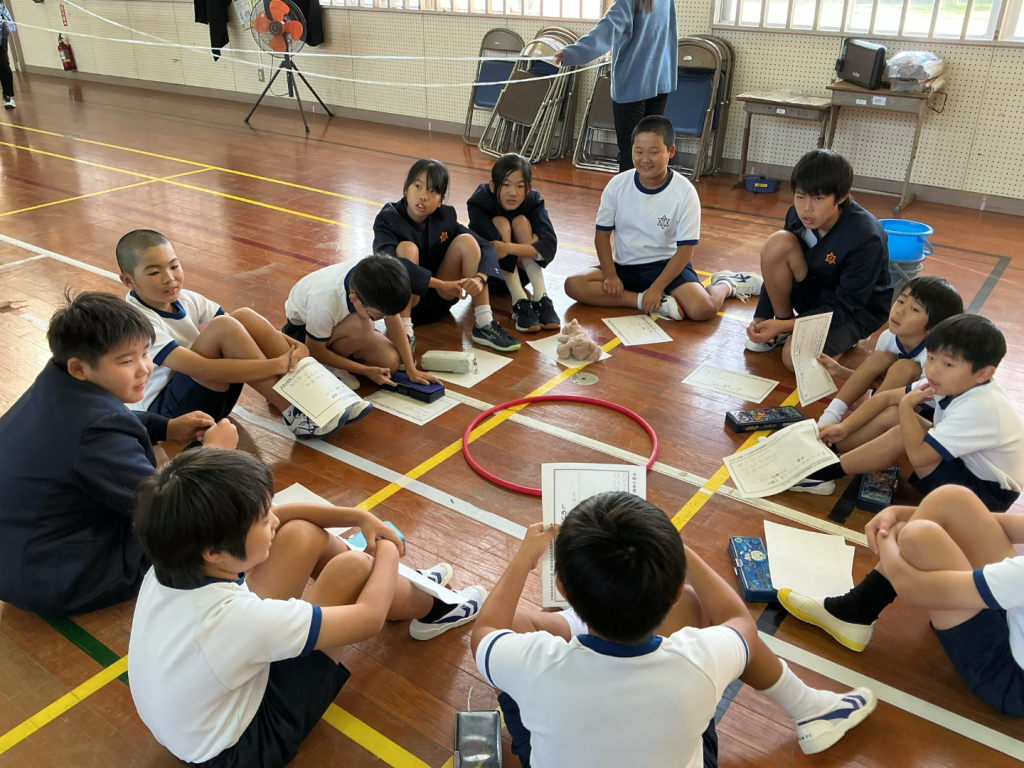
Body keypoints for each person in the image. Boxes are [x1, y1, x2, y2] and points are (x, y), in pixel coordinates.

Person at [129, 448, 487, 768]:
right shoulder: (238, 620)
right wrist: (389, 548)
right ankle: (435, 607)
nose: (272, 519)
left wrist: (358, 517)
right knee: (355, 569)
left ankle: (402, 584)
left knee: (302, 533)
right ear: (214, 552)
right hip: (240, 750)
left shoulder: (173, 559)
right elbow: (367, 619)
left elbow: (283, 516)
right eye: (262, 519)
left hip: (195, 722)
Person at [471, 492, 876, 767]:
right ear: (672, 592)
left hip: (557, 687)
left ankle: (589, 625)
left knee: (511, 629)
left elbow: (486, 628)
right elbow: (739, 623)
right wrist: (679, 553)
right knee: (699, 607)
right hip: (677, 724)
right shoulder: (697, 661)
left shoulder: (536, 666)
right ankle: (809, 708)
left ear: (562, 588)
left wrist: (524, 559)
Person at [0, 291, 238, 618]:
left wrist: (167, 427)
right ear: (79, 368)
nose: (144, 369)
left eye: (145, 353)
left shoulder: (58, 380)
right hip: (63, 579)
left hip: (19, 557)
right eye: (127, 361)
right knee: (206, 528)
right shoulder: (97, 431)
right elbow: (166, 510)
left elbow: (109, 417)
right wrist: (214, 453)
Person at [779, 484, 1024, 718]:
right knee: (951, 499)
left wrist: (890, 536)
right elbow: (995, 523)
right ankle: (858, 609)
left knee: (918, 537)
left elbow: (913, 589)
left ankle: (858, 608)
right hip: (1012, 611)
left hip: (1009, 680)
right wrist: (896, 513)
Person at [116, 229, 371, 439]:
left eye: (174, 266)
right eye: (154, 272)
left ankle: (324, 395)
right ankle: (295, 413)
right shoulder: (137, 322)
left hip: (211, 396)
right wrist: (277, 364)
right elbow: (203, 369)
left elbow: (242, 327)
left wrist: (297, 346)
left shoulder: (185, 298)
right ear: (128, 280)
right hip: (172, 416)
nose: (169, 278)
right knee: (223, 327)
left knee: (242, 316)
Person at [789, 315, 1024, 512]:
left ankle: (823, 474)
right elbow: (886, 397)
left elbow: (920, 457)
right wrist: (844, 427)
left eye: (948, 364)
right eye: (931, 358)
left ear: (983, 374)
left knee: (902, 428)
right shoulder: (953, 382)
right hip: (967, 465)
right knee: (895, 415)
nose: (933, 370)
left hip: (987, 496)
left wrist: (905, 407)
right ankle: (829, 451)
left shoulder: (977, 407)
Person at [564, 116, 761, 322]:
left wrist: (657, 287)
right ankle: (646, 301)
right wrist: (611, 276)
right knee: (574, 284)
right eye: (638, 151)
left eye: (654, 152)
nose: (645, 159)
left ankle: (726, 283)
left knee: (703, 309)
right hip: (624, 267)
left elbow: (686, 250)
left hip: (667, 266)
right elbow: (602, 236)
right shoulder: (617, 185)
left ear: (671, 152)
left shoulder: (685, 192)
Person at [746, 150, 892, 371]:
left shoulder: (866, 237)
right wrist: (763, 317)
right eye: (800, 196)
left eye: (818, 198)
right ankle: (785, 328)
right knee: (778, 243)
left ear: (841, 197)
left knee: (794, 358)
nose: (807, 208)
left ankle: (849, 337)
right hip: (816, 293)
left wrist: (785, 325)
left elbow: (845, 306)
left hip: (853, 313)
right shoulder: (796, 216)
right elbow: (775, 267)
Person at [372, 159, 520, 354]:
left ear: (441, 199)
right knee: (407, 248)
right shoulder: (388, 218)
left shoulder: (445, 215)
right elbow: (388, 266)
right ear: (406, 189)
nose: (423, 196)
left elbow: (486, 246)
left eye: (433, 191)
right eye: (418, 186)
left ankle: (484, 323)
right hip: (405, 303)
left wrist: (479, 278)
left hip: (440, 300)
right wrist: (441, 284)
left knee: (467, 241)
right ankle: (405, 334)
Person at [818, 276, 963, 428]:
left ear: (933, 328)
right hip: (887, 398)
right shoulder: (887, 337)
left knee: (905, 367)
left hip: (921, 411)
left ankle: (852, 426)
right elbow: (876, 381)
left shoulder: (935, 357)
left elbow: (922, 399)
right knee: (880, 357)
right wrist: (839, 370)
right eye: (900, 301)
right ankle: (830, 416)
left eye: (914, 309)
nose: (900, 311)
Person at [553, 0, 676, 172]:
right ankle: (649, 188)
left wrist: (573, 53)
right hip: (660, 82)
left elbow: (607, 30)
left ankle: (631, 189)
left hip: (633, 84)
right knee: (653, 150)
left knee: (632, 152)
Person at [282, 253, 440, 387]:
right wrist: (365, 370)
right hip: (303, 334)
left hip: (341, 327)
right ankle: (328, 367)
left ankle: (342, 359)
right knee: (364, 325)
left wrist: (411, 370)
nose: (382, 318)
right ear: (354, 299)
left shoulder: (378, 280)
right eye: (378, 316)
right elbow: (314, 349)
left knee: (390, 362)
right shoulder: (324, 301)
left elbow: (393, 317)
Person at [467, 153, 559, 333]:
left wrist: (510, 248)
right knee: (501, 222)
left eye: (520, 186)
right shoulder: (479, 202)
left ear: (528, 188)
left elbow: (549, 244)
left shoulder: (533, 200)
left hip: (524, 273)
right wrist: (530, 245)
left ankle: (541, 297)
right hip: (491, 277)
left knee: (520, 221)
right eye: (506, 184)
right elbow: (494, 250)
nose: (513, 193)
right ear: (492, 185)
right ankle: (519, 300)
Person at [0, 0, 15, 109]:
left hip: (0, 42)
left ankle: (8, 96)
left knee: (3, 66)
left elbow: (11, 26)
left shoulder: (1, 7)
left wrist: (5, 26)